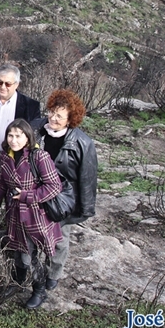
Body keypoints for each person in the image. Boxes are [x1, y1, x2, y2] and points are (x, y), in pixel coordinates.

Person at [0, 119, 62, 309]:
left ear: (27, 137)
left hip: (35, 216)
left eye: (18, 136)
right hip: (15, 215)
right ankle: (17, 283)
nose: (14, 140)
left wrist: (27, 196)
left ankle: (39, 290)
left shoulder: (39, 157)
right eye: (10, 135)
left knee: (33, 255)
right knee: (19, 251)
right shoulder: (6, 157)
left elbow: (54, 187)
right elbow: (1, 187)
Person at [35, 89, 98, 292]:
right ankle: (34, 273)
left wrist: (85, 208)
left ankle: (53, 273)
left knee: (60, 238)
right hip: (36, 193)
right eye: (52, 112)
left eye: (59, 115)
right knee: (34, 234)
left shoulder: (82, 142)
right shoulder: (37, 130)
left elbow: (87, 177)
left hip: (62, 198)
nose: (53, 118)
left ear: (70, 118)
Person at [0, 63, 41, 242]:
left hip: (14, 164)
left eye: (8, 84)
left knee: (14, 207)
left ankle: (13, 244)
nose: (3, 87)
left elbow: (32, 137)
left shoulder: (30, 106)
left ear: (17, 84)